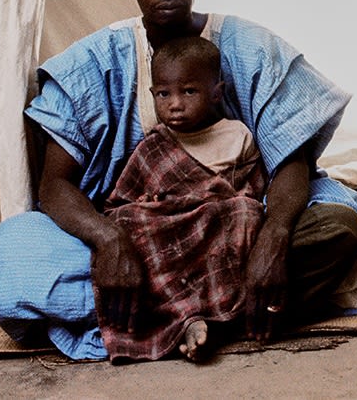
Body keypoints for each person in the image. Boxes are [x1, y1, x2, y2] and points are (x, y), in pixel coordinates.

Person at [0, 0, 357, 361]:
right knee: (13, 263)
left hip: (239, 227)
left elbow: (291, 164)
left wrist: (273, 239)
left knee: (339, 227)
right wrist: (109, 241)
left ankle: (169, 319)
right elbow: (54, 186)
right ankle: (232, 312)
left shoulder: (251, 47)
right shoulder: (92, 63)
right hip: (141, 238)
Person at [100, 35, 265, 362]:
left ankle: (217, 311)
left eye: (189, 91)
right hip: (170, 234)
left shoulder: (237, 135)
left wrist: (214, 197)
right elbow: (119, 206)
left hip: (216, 227)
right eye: (164, 94)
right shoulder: (153, 146)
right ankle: (188, 316)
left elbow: (253, 188)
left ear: (216, 93)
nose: (175, 103)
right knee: (127, 222)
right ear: (152, 95)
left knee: (246, 212)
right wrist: (153, 204)